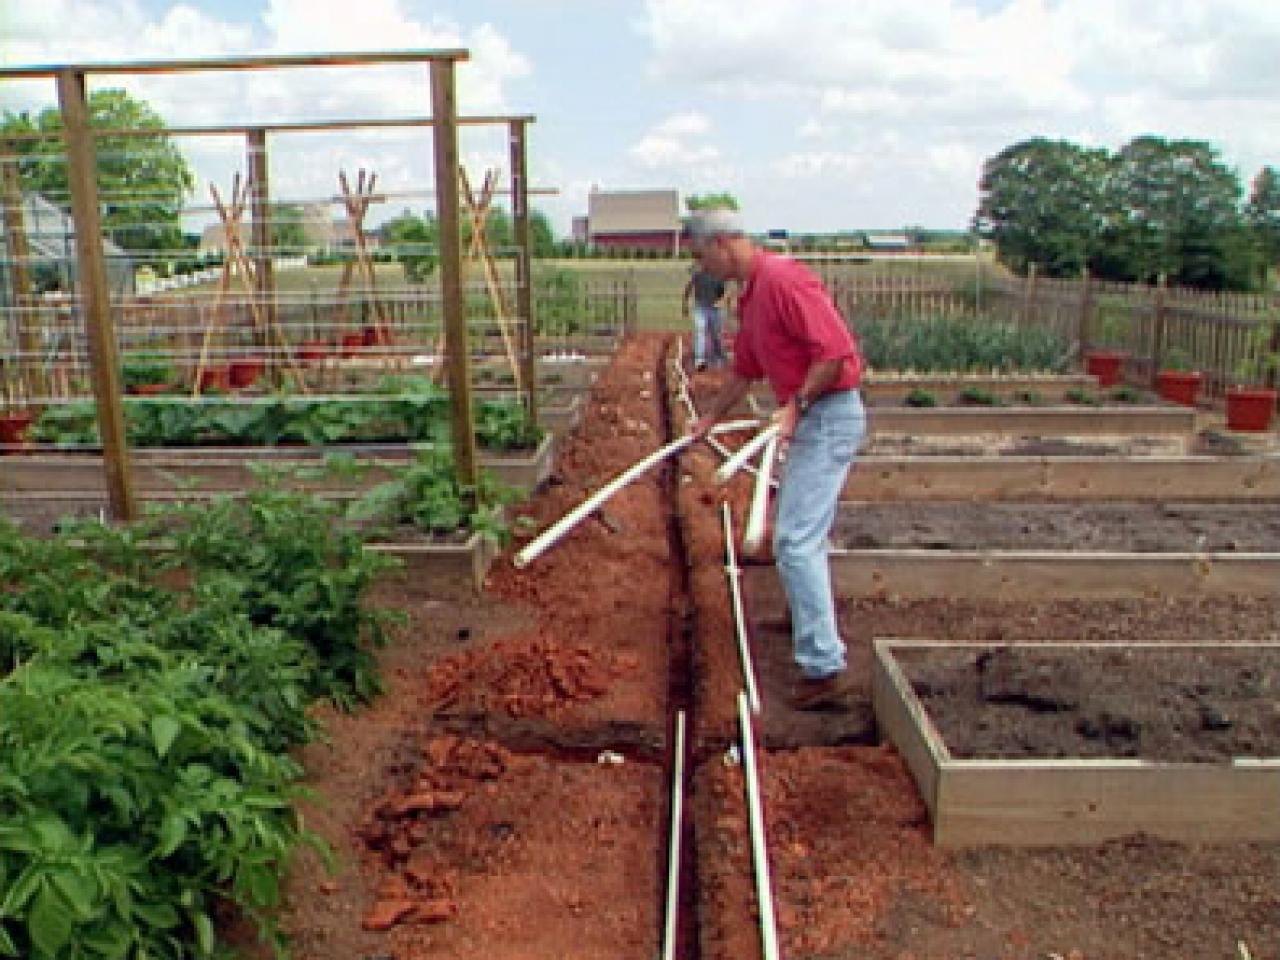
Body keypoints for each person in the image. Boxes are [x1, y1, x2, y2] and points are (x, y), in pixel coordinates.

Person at [688, 207, 866, 710]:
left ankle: (823, 667)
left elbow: (834, 354)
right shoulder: (751, 296)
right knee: (799, 532)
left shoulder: (784, 280)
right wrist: (708, 420)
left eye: (703, 256)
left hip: (828, 415)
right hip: (810, 417)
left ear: (724, 243)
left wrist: (795, 407)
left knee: (795, 539)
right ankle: (805, 620)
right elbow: (744, 369)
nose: (705, 268)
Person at [682, 260, 728, 371]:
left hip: (714, 308)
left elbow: (723, 292)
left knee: (715, 334)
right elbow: (688, 289)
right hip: (700, 307)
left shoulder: (718, 275)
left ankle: (718, 357)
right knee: (700, 330)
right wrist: (685, 304)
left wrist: (721, 301)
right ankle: (700, 360)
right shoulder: (697, 275)